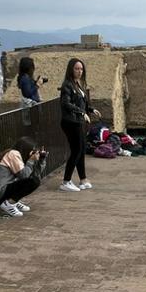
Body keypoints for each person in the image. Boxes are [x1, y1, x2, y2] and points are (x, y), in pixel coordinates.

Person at [58, 57, 98, 192]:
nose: (79, 71)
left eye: (81, 69)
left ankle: (83, 179)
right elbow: (66, 103)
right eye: (76, 68)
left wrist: (91, 110)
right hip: (70, 122)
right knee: (76, 150)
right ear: (71, 69)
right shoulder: (67, 85)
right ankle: (66, 181)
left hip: (78, 122)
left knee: (80, 150)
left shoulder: (78, 84)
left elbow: (83, 103)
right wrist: (82, 112)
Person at [0, 137, 45, 217]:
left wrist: (42, 160)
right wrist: (31, 161)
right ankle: (9, 204)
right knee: (34, 181)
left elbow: (35, 174)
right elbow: (24, 176)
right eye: (32, 150)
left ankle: (14, 201)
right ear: (25, 148)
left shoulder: (17, 154)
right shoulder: (13, 154)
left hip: (5, 188)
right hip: (0, 192)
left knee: (34, 179)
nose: (33, 153)